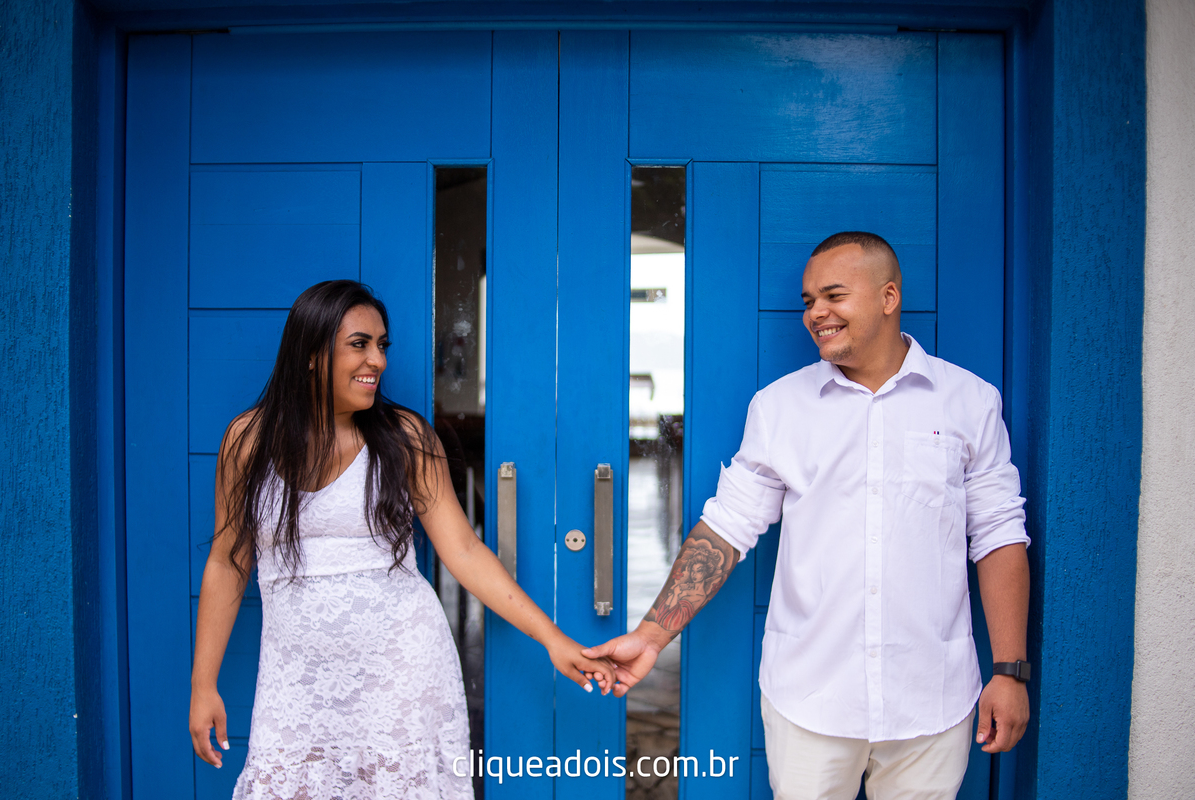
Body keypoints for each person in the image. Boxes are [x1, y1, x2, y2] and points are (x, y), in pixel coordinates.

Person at [586, 232, 1031, 799]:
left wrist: (1009, 671)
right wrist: (651, 636)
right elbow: (727, 527)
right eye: (807, 301)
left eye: (834, 295)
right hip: (810, 700)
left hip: (932, 698)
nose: (816, 313)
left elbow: (997, 535)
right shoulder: (778, 408)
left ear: (889, 296)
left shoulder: (970, 402)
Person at [189, 280, 613, 799]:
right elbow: (229, 563)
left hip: (402, 672)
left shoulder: (405, 438)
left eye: (382, 345)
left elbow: (463, 550)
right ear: (311, 354)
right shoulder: (247, 441)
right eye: (359, 344)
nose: (378, 361)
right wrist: (203, 684)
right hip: (296, 681)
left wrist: (553, 638)